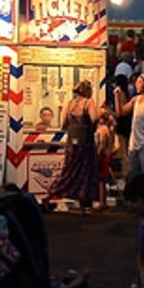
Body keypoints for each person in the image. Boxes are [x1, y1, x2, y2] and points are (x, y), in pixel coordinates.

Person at [46, 80, 102, 211]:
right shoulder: (89, 103)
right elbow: (94, 119)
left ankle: (51, 194)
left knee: (68, 172)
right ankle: (83, 202)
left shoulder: (69, 104)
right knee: (84, 173)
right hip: (85, 143)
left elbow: (63, 125)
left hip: (72, 143)